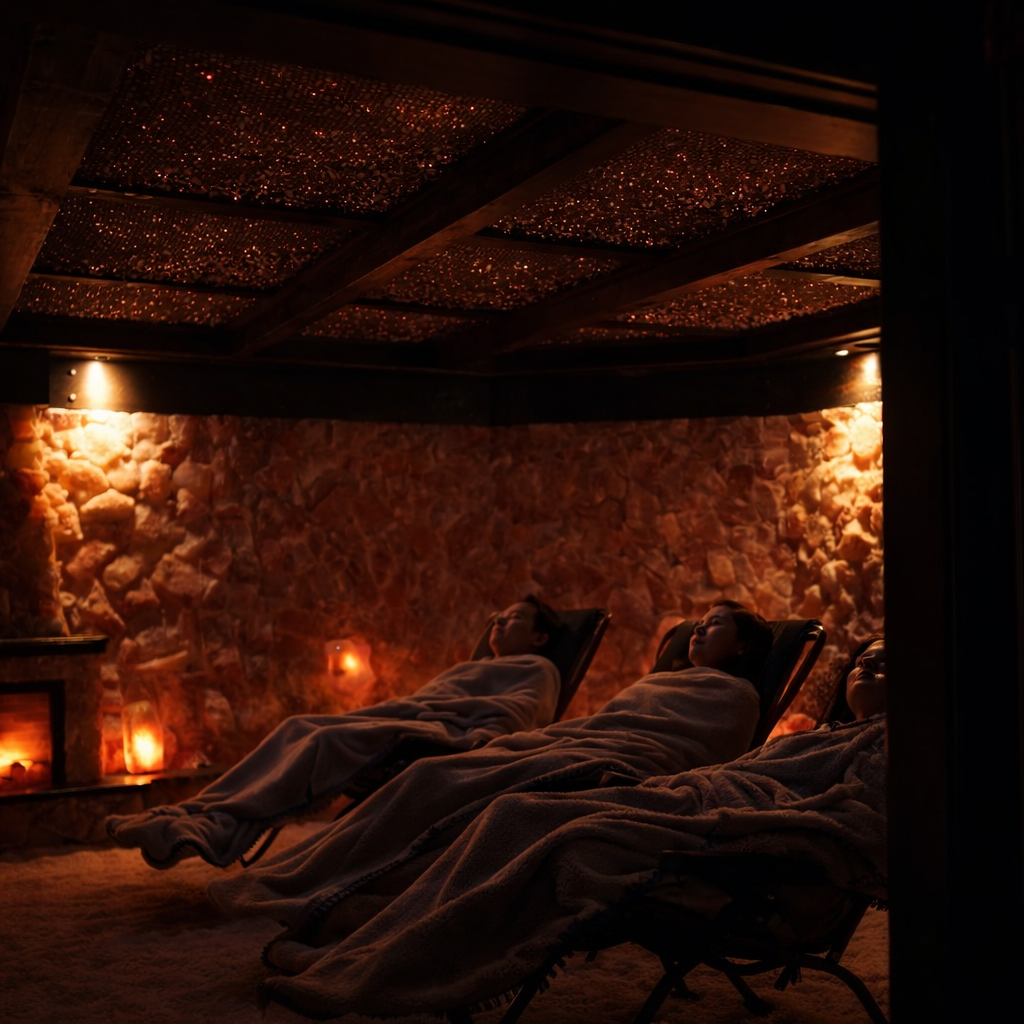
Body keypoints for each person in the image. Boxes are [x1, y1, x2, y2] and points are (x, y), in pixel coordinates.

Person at [234, 635, 887, 1020]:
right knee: (510, 811)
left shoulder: (891, 746)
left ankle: (380, 974)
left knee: (541, 827)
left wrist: (741, 819)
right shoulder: (830, 733)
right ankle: (363, 947)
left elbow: (850, 823)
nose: (867, 667)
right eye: (863, 660)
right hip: (691, 804)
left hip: (727, 844)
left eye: (886, 663)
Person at [206, 601, 774, 950]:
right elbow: (603, 719)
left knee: (458, 786)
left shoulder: (738, 695)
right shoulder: (657, 681)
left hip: (614, 764)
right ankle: (309, 880)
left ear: (743, 644)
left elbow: (697, 750)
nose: (698, 630)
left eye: (715, 624)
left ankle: (369, 899)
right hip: (571, 743)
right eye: (696, 623)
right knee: (430, 774)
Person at [106, 596, 565, 869]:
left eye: (512, 619)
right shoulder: (477, 665)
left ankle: (217, 827)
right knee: (298, 725)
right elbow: (428, 696)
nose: (497, 623)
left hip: (432, 735)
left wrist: (473, 740)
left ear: (540, 638)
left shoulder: (538, 668)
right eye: (497, 617)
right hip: (407, 718)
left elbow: (515, 718)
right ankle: (195, 812)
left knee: (325, 740)